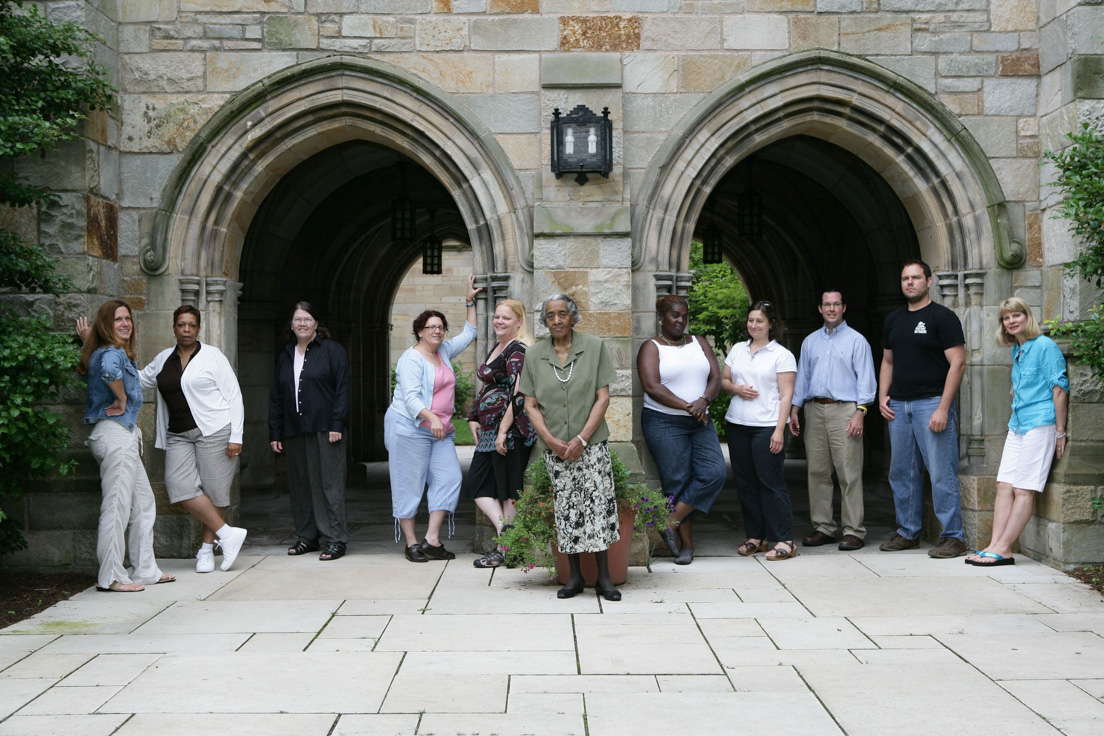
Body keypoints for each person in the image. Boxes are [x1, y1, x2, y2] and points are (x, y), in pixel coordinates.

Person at [519, 293, 622, 600]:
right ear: (544, 321)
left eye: (562, 314)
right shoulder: (534, 354)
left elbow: (602, 397)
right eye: (550, 316)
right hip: (556, 448)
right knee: (566, 509)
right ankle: (575, 577)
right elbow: (530, 404)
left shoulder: (593, 347)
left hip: (590, 444)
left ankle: (604, 577)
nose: (557, 320)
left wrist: (582, 439)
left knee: (596, 507)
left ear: (573, 316)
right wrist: (550, 440)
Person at [138, 306, 248, 573]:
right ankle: (228, 534)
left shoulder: (213, 356)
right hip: (178, 434)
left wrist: (236, 436)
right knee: (178, 486)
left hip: (216, 430)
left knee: (215, 492)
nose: (186, 330)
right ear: (173, 328)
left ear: (199, 329)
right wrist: (103, 353)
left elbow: (234, 397)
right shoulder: (164, 358)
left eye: (191, 325)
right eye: (181, 325)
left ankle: (207, 550)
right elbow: (138, 380)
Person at [77, 300, 174, 592]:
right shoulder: (112, 353)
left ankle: (144, 570)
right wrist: (120, 399)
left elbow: (101, 363)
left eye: (128, 319)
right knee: (117, 507)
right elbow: (108, 370)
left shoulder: (107, 351)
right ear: (107, 324)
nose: (125, 323)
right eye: (118, 319)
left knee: (143, 503)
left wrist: (88, 341)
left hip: (123, 436)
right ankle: (111, 576)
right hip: (115, 436)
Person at [386, 275, 482, 563]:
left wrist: (469, 300)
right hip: (409, 428)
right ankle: (411, 543)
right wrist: (432, 417)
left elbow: (470, 332)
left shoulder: (444, 351)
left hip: (440, 432)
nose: (437, 331)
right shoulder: (411, 359)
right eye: (431, 327)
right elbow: (411, 397)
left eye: (441, 327)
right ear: (419, 332)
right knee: (410, 483)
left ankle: (431, 540)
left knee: (450, 478)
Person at [966, 297, 1068, 566]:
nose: (1011, 321)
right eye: (1006, 318)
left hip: (1040, 423)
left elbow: (1059, 390)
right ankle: (994, 544)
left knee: (1024, 489)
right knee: (1004, 485)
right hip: (1018, 423)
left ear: (1027, 316)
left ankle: (1004, 548)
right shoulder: (1017, 350)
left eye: (1016, 316)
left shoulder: (1046, 346)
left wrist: (1060, 431)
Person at [877, 259, 967, 558]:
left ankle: (953, 536)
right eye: (905, 278)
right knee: (901, 472)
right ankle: (907, 531)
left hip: (932, 403)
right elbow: (888, 361)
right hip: (899, 406)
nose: (910, 283)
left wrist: (943, 407)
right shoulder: (893, 320)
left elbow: (958, 363)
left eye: (916, 278)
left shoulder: (943, 318)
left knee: (941, 472)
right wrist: (882, 396)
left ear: (929, 281)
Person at [637, 294, 726, 565]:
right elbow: (652, 386)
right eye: (675, 315)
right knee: (678, 483)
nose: (681, 321)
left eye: (685, 316)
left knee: (714, 473)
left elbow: (716, 376)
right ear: (662, 317)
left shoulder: (698, 342)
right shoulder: (651, 347)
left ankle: (669, 522)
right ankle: (687, 548)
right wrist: (689, 406)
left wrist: (704, 401)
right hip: (664, 422)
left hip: (700, 421)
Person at [789, 290, 877, 552]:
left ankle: (853, 531)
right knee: (817, 471)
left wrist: (860, 412)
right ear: (820, 308)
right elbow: (802, 378)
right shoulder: (809, 342)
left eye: (836, 304)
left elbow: (866, 380)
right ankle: (823, 527)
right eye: (827, 305)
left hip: (845, 411)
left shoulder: (856, 341)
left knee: (849, 473)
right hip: (814, 410)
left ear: (844, 307)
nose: (831, 309)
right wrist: (795, 409)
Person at [269, 302, 351, 561]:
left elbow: (343, 390)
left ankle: (335, 539)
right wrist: (275, 432)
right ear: (291, 325)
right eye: (297, 319)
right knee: (301, 485)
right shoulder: (285, 354)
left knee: (329, 485)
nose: (302, 323)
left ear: (317, 323)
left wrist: (337, 424)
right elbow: (277, 397)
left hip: (326, 429)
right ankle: (307, 537)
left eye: (307, 319)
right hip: (294, 430)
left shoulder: (332, 351)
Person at [463, 298, 537, 569]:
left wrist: (503, 432)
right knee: (478, 485)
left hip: (511, 431)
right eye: (497, 317)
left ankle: (505, 550)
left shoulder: (518, 350)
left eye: (506, 318)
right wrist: (473, 416)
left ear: (519, 321)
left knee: (507, 492)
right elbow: (486, 387)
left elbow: (519, 395)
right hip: (490, 431)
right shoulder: (498, 346)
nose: (499, 322)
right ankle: (508, 535)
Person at [721, 301, 799, 561]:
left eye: (759, 321)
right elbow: (724, 381)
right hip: (738, 424)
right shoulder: (738, 350)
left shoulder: (781, 355)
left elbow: (787, 395)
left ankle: (784, 539)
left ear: (771, 324)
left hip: (767, 426)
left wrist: (780, 430)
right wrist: (737, 389)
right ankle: (757, 536)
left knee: (771, 483)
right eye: (751, 320)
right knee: (746, 484)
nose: (754, 325)